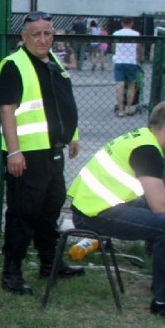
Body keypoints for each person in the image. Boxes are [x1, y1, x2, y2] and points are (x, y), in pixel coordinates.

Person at [0, 11, 84, 295]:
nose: (43, 39)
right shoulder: (14, 65)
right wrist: (14, 152)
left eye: (48, 33)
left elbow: (64, 103)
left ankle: (50, 263)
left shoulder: (53, 61)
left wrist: (73, 135)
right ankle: (11, 272)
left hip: (53, 151)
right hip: (27, 156)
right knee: (23, 213)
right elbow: (7, 110)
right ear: (24, 36)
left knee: (50, 209)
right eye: (36, 34)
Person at [67, 101, 165, 316]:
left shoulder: (142, 137)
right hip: (94, 214)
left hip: (97, 206)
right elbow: (159, 205)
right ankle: (161, 302)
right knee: (163, 225)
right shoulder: (147, 150)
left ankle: (158, 282)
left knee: (157, 218)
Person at [112, 17, 142, 117]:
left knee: (119, 85)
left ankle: (121, 110)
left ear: (122, 23)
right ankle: (129, 108)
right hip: (131, 61)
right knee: (131, 85)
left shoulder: (116, 33)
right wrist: (139, 58)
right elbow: (138, 48)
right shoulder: (136, 34)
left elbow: (113, 47)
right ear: (132, 23)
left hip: (119, 61)